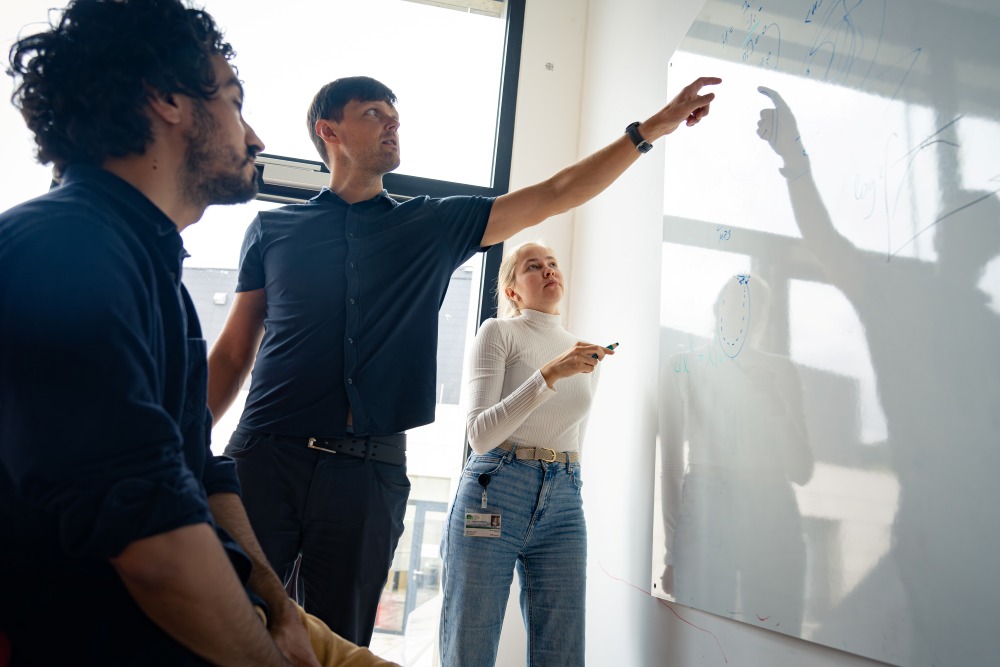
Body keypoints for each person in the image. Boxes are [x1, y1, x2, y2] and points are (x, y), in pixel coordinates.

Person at [208, 72, 721, 645]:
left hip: (367, 471)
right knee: (234, 632)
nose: (393, 121)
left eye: (394, 113)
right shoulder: (273, 228)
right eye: (374, 113)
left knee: (339, 645)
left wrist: (652, 129)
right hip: (265, 456)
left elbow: (557, 192)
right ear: (329, 131)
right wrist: (184, 441)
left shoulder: (430, 224)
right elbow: (232, 354)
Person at [0, 1, 396, 665]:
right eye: (235, 103)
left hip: (226, 612)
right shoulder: (63, 252)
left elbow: (200, 466)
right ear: (165, 100)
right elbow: (155, 551)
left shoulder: (148, 268)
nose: (256, 137)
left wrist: (278, 607)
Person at [437, 241, 613, 666]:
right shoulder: (498, 332)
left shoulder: (585, 352)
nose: (548, 270)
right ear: (513, 291)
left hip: (565, 496)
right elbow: (480, 435)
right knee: (471, 639)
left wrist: (568, 485)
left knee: (563, 647)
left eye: (552, 263)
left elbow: (575, 433)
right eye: (533, 267)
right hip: (496, 486)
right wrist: (548, 374)